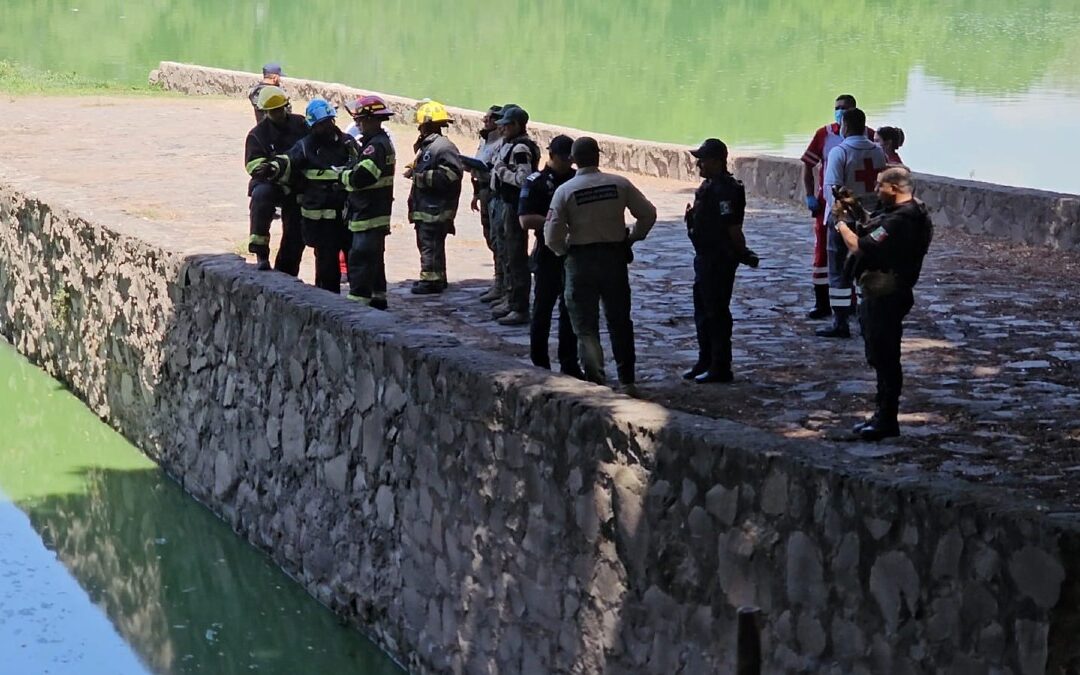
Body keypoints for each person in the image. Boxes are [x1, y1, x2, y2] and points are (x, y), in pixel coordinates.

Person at [545, 137, 657, 390]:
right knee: (619, 321)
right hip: (614, 258)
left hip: (580, 260)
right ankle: (627, 380)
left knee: (585, 326)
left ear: (573, 159)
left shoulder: (565, 191)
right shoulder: (619, 184)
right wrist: (633, 237)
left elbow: (552, 234)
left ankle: (596, 379)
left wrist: (564, 251)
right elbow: (648, 213)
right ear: (599, 157)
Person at [835, 167, 932, 440]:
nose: (876, 190)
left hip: (887, 293)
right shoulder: (909, 212)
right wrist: (855, 211)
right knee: (881, 356)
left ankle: (887, 419)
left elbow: (860, 246)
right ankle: (882, 413)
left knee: (885, 357)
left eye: (879, 186)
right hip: (886, 291)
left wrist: (841, 223)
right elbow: (875, 229)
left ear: (894, 188)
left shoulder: (903, 220)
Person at [253, 98, 358, 294]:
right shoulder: (305, 146)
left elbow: (360, 168)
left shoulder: (347, 143)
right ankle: (318, 296)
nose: (325, 128)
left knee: (354, 257)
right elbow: (288, 161)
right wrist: (271, 168)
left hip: (345, 214)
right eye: (320, 125)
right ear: (312, 126)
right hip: (317, 217)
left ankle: (361, 298)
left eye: (327, 123)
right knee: (321, 257)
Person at [682, 139, 760, 384]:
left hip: (718, 258)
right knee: (703, 311)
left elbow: (732, 227)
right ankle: (705, 359)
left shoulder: (726, 189)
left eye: (702, 160)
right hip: (704, 256)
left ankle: (720, 365)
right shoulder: (709, 186)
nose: (698, 165)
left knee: (716, 312)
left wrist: (743, 252)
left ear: (717, 161)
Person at [800, 94, 875, 320]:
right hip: (836, 209)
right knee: (823, 257)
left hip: (845, 212)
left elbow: (834, 185)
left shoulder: (864, 140)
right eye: (836, 108)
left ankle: (846, 312)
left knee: (850, 260)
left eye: (843, 109)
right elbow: (808, 164)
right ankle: (823, 303)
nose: (839, 112)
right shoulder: (825, 134)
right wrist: (811, 196)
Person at [818, 108, 888, 339]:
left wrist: (836, 220)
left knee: (839, 273)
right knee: (867, 271)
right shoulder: (878, 153)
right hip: (872, 223)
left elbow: (834, 190)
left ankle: (840, 322)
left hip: (844, 222)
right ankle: (868, 319)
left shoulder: (840, 152)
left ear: (845, 126)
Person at [518, 134, 582, 378]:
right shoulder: (535, 182)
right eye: (565, 159)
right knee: (543, 309)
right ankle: (540, 361)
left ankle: (569, 362)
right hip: (547, 253)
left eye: (572, 159)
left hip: (573, 253)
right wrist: (556, 223)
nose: (569, 163)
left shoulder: (578, 179)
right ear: (552, 156)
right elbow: (525, 220)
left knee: (570, 310)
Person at [338, 95, 396, 310]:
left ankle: (358, 301)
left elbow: (360, 178)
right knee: (374, 258)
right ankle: (377, 297)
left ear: (373, 120)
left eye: (361, 120)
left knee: (360, 257)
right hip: (375, 211)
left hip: (368, 213)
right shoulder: (380, 143)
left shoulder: (375, 147)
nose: (358, 125)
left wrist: (342, 176)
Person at [243, 85, 308, 274]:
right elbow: (254, 166)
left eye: (280, 109)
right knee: (261, 197)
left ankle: (287, 270)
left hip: (297, 184)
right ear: (265, 112)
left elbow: (309, 151)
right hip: (270, 184)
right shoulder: (257, 134)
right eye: (273, 111)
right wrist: (274, 170)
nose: (278, 114)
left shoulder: (300, 125)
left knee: (296, 229)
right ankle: (261, 253)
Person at [490, 105, 541, 326]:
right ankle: (510, 299)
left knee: (515, 255)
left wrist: (500, 171)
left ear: (517, 126)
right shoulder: (510, 144)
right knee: (505, 252)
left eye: (506, 126)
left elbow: (523, 179)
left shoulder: (521, 148)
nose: (501, 130)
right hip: (505, 203)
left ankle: (519, 306)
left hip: (513, 206)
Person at [406, 100, 463, 294]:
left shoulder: (443, 147)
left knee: (430, 245)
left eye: (421, 124)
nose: (419, 128)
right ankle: (437, 277)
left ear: (428, 124)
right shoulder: (430, 146)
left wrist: (419, 177)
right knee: (430, 244)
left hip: (435, 209)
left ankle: (430, 281)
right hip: (427, 207)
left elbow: (451, 176)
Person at [470, 105, 505, 303]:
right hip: (483, 190)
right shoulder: (484, 140)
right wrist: (475, 193)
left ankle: (503, 284)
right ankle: (498, 281)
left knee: (499, 238)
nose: (485, 121)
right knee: (490, 236)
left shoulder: (502, 144)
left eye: (489, 119)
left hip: (495, 193)